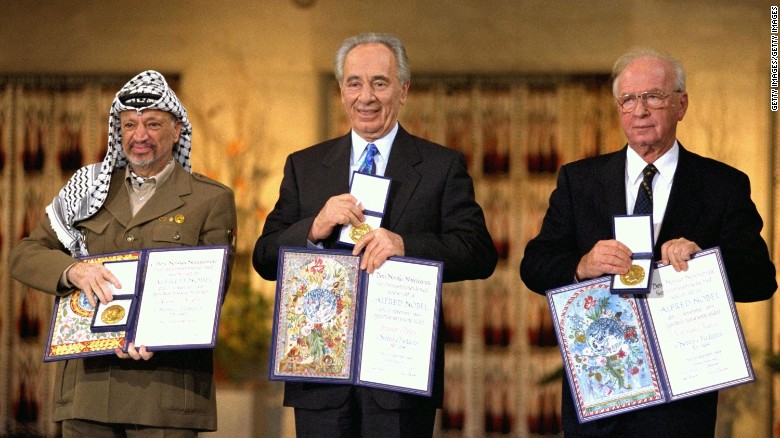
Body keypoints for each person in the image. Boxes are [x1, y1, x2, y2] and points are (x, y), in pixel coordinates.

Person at [519, 47, 777, 437]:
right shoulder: (579, 180)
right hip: (599, 393)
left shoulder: (722, 184)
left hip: (681, 402)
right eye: (628, 99)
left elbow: (761, 279)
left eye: (653, 97)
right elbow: (534, 265)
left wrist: (706, 259)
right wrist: (581, 265)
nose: (639, 111)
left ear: (681, 105)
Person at [253, 32, 497, 437]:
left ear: (403, 90)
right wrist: (312, 229)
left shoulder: (440, 166)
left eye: (379, 83)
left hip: (399, 377)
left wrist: (406, 245)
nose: (366, 96)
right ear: (341, 90)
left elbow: (479, 252)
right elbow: (264, 258)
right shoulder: (304, 166)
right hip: (319, 376)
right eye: (354, 83)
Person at [9, 70, 237, 437]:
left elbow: (210, 291)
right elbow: (25, 253)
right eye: (129, 124)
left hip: (165, 394)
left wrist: (157, 335)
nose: (139, 136)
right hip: (87, 391)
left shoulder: (210, 199)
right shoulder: (87, 189)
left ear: (177, 130)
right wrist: (73, 271)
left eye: (152, 124)